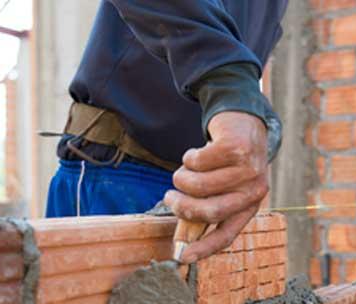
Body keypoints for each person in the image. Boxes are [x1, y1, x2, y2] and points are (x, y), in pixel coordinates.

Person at [46, 1, 288, 264]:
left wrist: (257, 117)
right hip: (119, 170)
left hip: (195, 191)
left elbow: (237, 51)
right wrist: (229, 87)